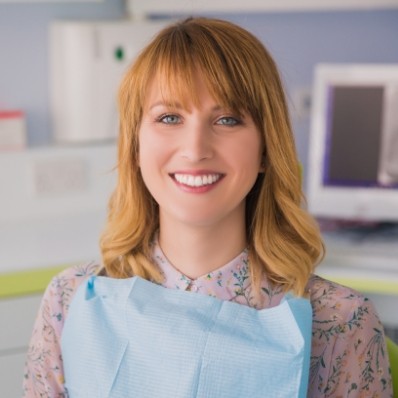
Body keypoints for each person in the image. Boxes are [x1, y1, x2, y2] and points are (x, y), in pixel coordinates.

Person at [23, 17, 392, 397]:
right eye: (169, 117)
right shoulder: (69, 301)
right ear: (134, 146)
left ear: (266, 149)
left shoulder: (338, 322)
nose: (196, 149)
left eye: (227, 119)